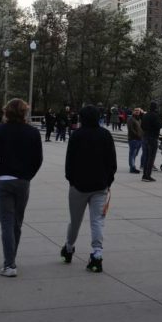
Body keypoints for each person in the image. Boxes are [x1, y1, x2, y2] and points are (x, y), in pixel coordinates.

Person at [0, 99, 43, 277]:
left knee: (6, 223)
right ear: (24, 113)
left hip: (3, 179)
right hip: (22, 181)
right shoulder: (33, 132)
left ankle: (9, 264)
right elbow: (37, 159)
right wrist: (28, 176)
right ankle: (11, 259)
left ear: (6, 112)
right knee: (17, 223)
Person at [60, 105, 117, 273]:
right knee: (97, 221)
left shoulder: (77, 135)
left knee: (75, 220)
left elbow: (69, 161)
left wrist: (71, 180)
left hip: (78, 185)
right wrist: (108, 180)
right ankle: (97, 254)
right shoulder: (105, 135)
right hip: (100, 185)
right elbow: (112, 161)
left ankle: (69, 247)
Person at [140, 102, 162, 182]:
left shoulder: (145, 115)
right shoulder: (155, 116)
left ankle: (144, 175)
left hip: (145, 137)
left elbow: (142, 126)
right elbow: (159, 125)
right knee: (151, 158)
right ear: (156, 108)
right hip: (152, 138)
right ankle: (147, 176)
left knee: (146, 157)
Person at [127, 107, 143, 174]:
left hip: (139, 139)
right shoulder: (131, 119)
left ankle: (133, 166)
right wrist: (137, 135)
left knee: (135, 154)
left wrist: (141, 135)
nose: (137, 111)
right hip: (133, 139)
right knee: (132, 154)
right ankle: (132, 168)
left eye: (138, 111)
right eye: (135, 110)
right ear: (133, 111)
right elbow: (131, 129)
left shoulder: (139, 119)